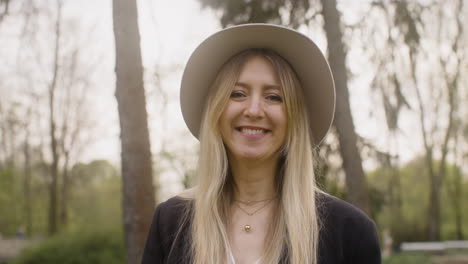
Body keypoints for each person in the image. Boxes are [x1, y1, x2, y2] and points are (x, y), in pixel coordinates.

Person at [142, 24, 381, 264]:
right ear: (216, 111)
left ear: (294, 119)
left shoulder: (349, 231)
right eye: (238, 93)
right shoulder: (170, 223)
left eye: (273, 97)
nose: (254, 110)